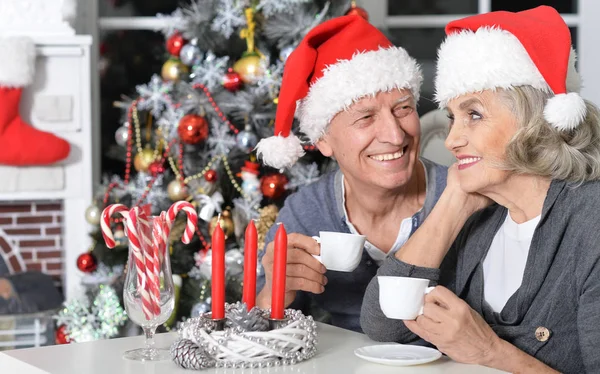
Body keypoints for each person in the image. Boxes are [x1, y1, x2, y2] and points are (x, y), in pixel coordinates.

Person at [360, 6, 600, 373]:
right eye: (453, 117)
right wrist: (453, 203)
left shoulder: (592, 223)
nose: (452, 139)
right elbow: (384, 322)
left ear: (534, 121)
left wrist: (490, 351)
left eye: (474, 115)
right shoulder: (483, 216)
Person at [254, 15, 447, 332]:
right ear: (323, 140)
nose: (395, 136)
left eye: (403, 108)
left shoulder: (462, 197)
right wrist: (274, 294)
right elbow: (262, 333)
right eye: (366, 117)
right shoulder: (307, 212)